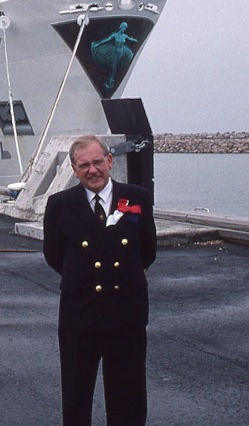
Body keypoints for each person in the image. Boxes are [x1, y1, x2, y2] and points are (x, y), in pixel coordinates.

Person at [43, 135, 156, 426]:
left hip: (126, 313)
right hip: (80, 315)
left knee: (128, 400)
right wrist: (83, 278)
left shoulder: (135, 198)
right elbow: (55, 255)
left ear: (109, 161)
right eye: (84, 166)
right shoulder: (59, 205)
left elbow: (148, 249)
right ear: (74, 169)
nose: (92, 170)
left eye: (97, 162)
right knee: (76, 398)